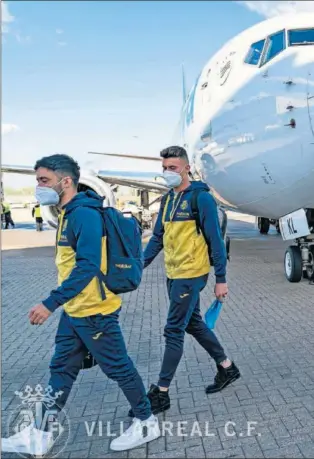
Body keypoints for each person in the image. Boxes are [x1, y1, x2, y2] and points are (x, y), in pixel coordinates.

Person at [1, 154, 160, 456]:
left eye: (44, 180)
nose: (39, 187)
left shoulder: (83, 215)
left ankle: (146, 421)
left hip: (94, 311)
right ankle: (40, 433)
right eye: (37, 181)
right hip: (76, 310)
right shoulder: (68, 213)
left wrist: (50, 303)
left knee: (119, 367)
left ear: (66, 181)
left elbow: (87, 266)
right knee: (61, 368)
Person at [129, 146, 240, 417]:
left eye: (173, 168)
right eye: (164, 168)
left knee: (173, 329)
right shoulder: (168, 199)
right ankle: (227, 367)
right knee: (193, 323)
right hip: (174, 273)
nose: (168, 172)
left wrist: (221, 279)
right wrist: (139, 265)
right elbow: (157, 238)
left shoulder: (201, 198)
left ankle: (162, 393)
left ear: (186, 168)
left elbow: (215, 240)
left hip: (192, 274)